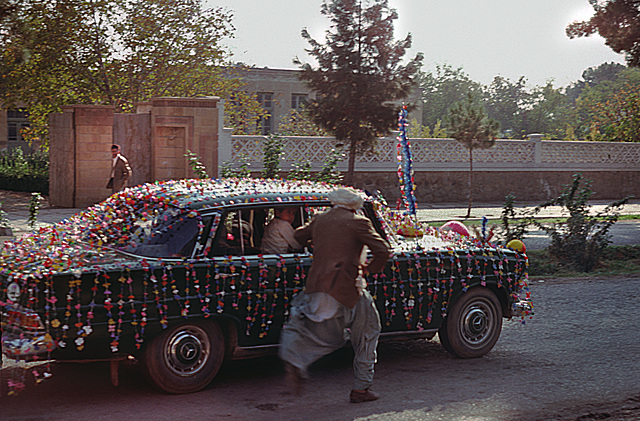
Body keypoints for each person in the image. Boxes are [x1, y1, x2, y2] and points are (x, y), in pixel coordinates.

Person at [279, 188, 391, 403]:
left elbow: (299, 236)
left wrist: (318, 246)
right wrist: (368, 269)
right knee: (368, 332)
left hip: (317, 285)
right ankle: (361, 389)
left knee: (320, 331)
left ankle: (296, 360)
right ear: (354, 206)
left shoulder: (321, 219)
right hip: (348, 287)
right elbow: (383, 250)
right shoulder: (358, 222)